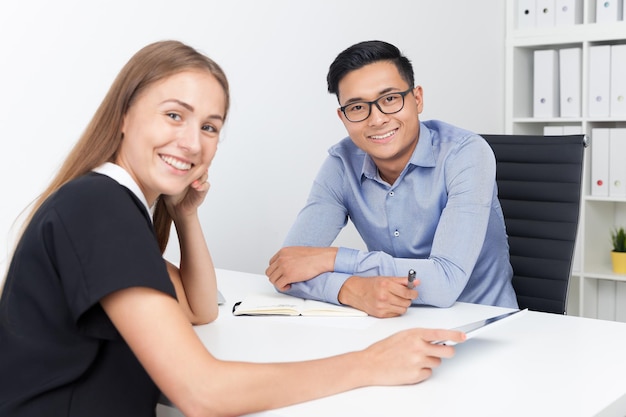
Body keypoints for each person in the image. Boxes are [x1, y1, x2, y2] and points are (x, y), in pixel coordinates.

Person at [0, 40, 465, 417]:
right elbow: (203, 393)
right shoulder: (99, 206)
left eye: (210, 127)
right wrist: (371, 363)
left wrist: (186, 215)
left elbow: (200, 309)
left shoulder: (110, 204)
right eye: (174, 115)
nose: (191, 141)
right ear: (124, 115)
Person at [266, 40, 518, 318]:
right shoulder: (341, 163)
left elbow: (446, 282)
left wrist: (332, 258)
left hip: (484, 325)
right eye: (358, 107)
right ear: (343, 117)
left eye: (389, 99)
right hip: (395, 325)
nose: (376, 119)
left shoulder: (465, 154)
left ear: (417, 99)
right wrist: (352, 289)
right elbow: (287, 269)